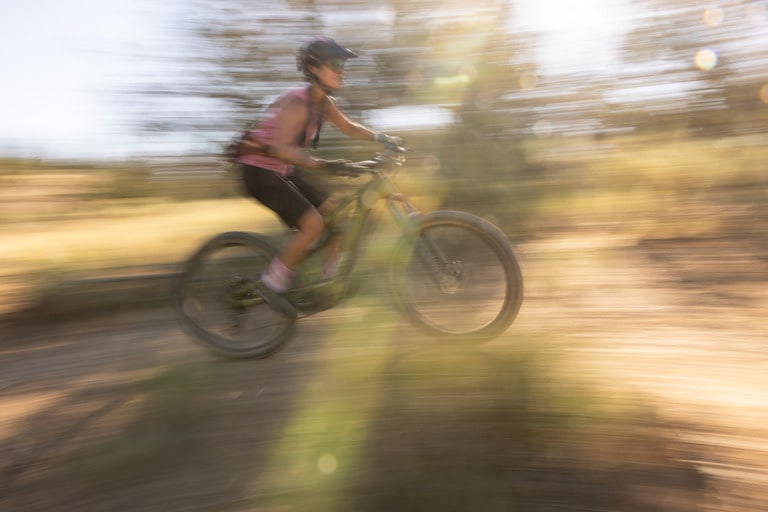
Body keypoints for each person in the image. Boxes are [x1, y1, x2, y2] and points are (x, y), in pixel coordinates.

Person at [236, 36, 402, 317]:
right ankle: (271, 286)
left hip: (282, 170)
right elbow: (278, 150)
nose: (342, 70)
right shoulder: (297, 103)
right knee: (313, 225)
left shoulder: (323, 103)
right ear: (313, 68)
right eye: (336, 64)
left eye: (343, 65)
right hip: (259, 171)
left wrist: (383, 139)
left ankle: (329, 283)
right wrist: (327, 164)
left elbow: (349, 128)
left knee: (335, 216)